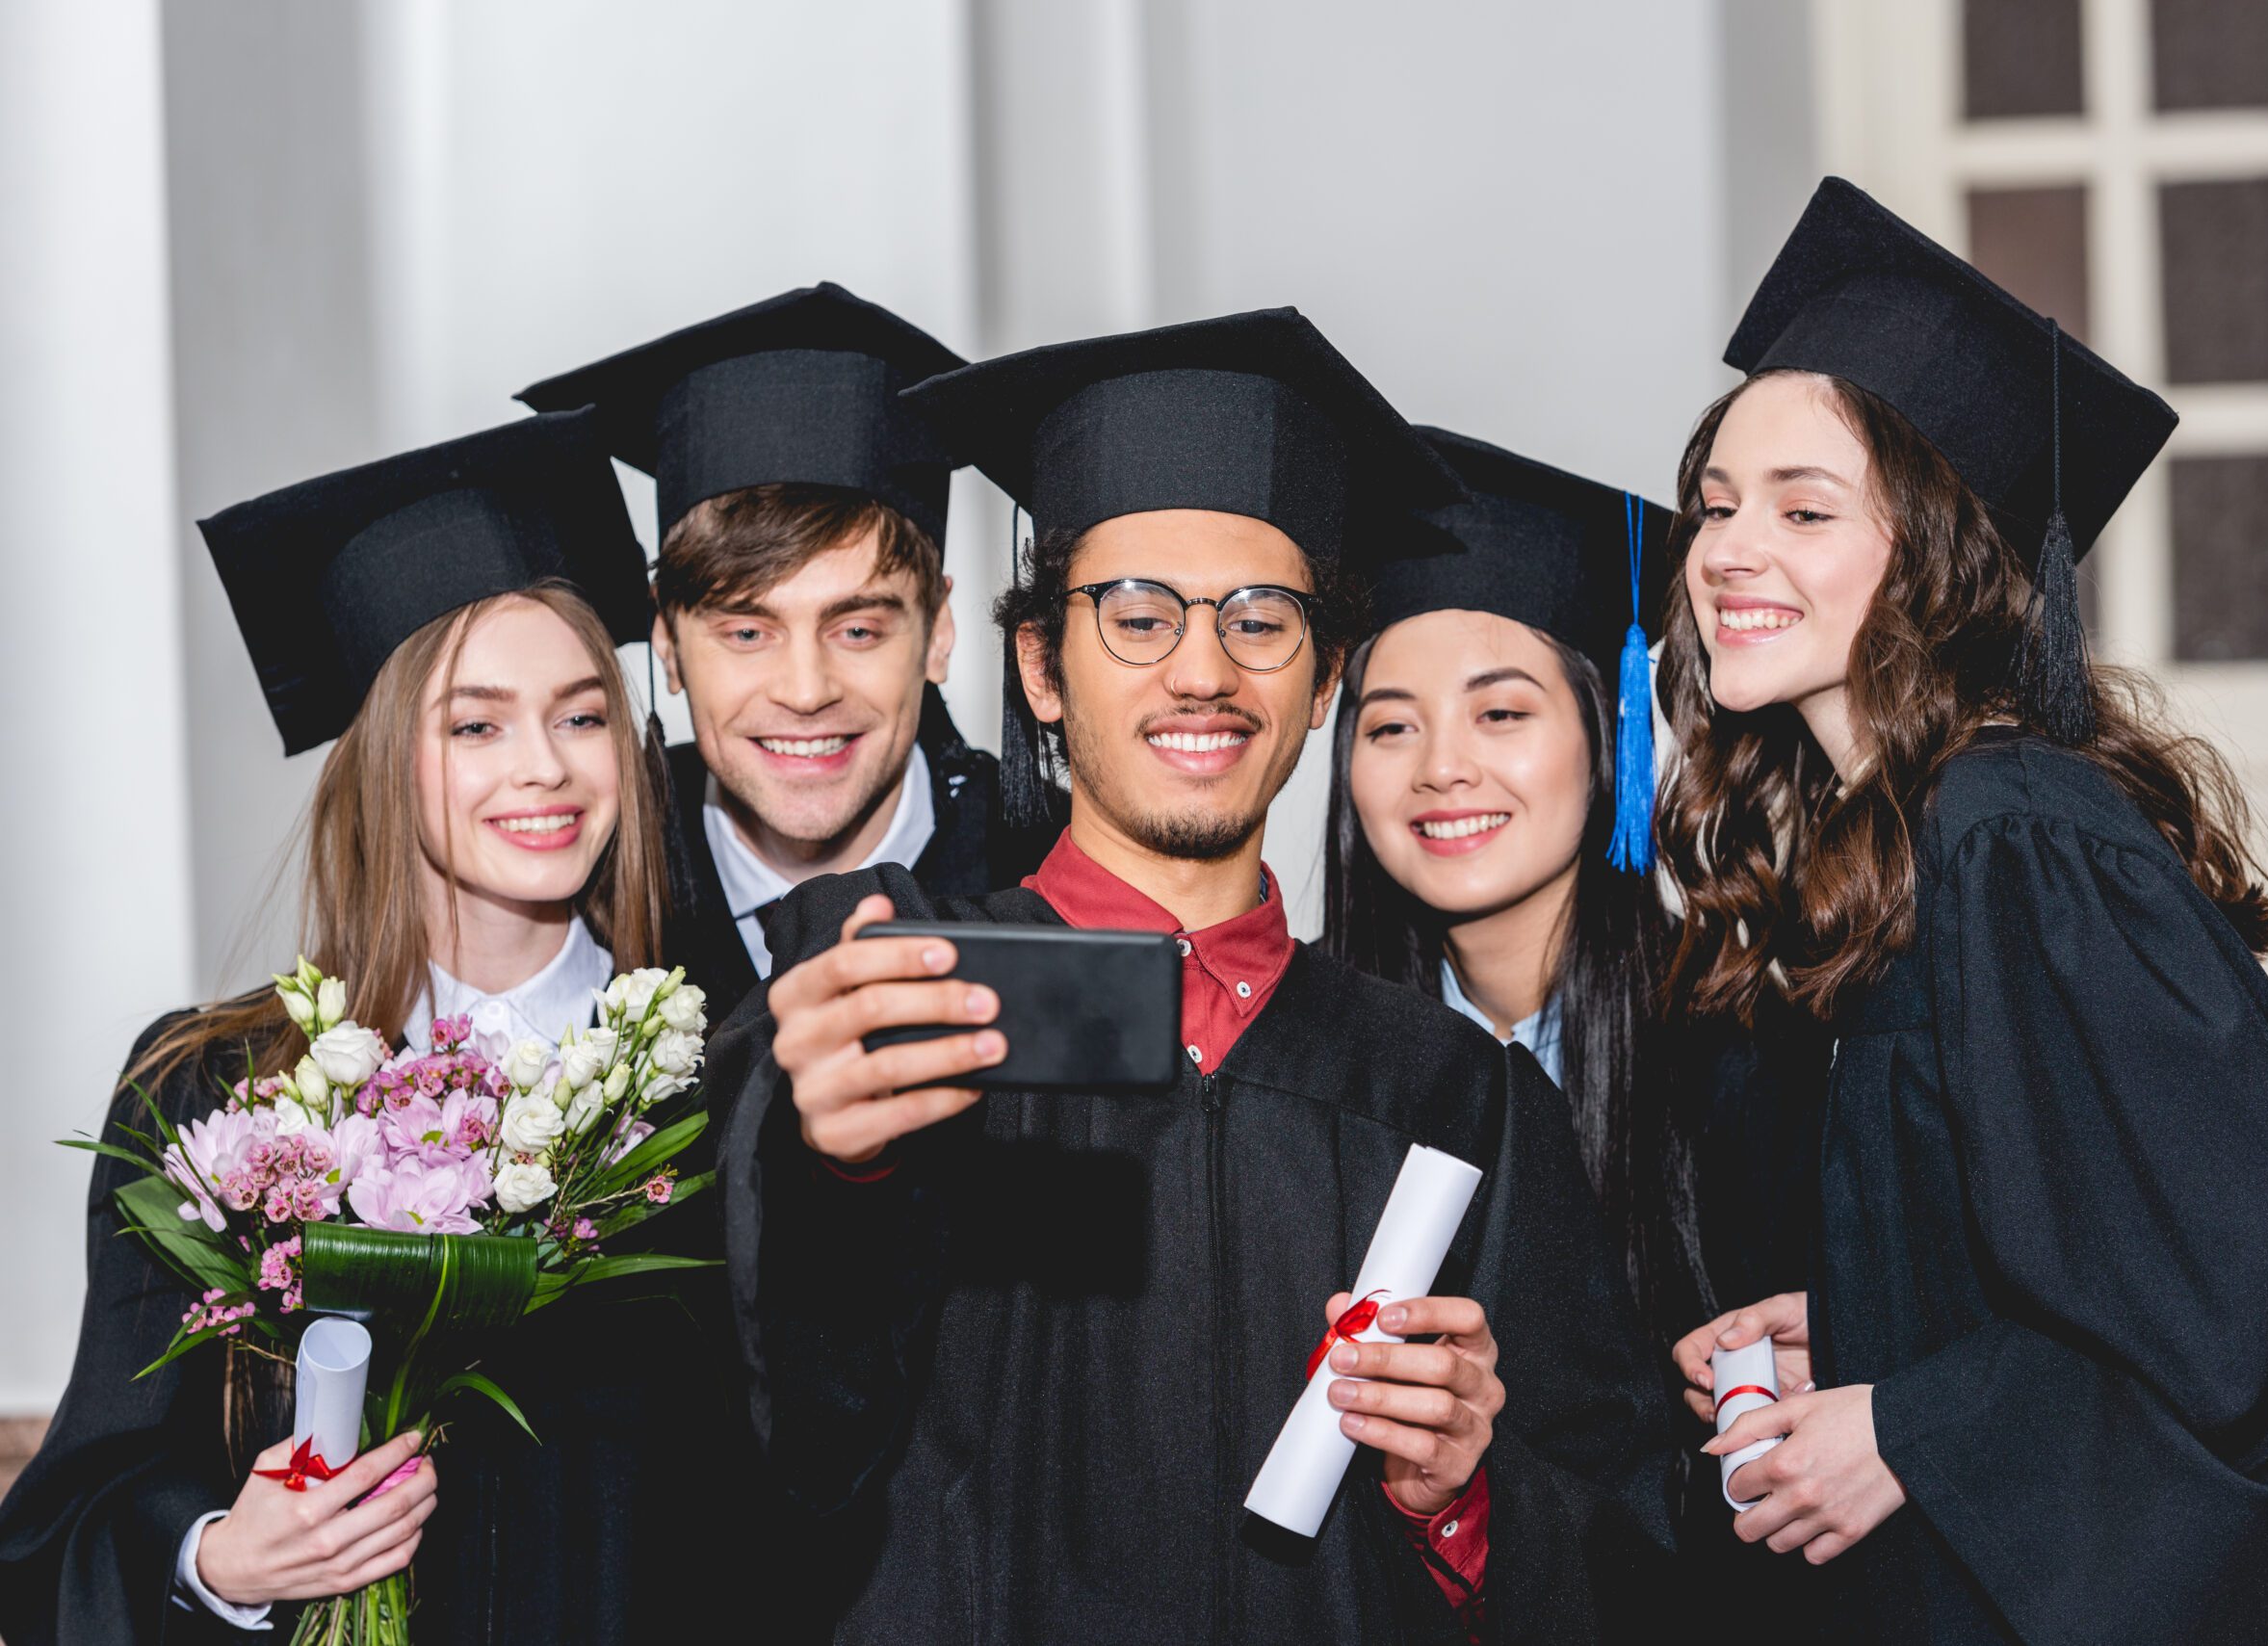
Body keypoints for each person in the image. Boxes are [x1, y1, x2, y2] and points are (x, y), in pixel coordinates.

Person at [705, 308, 1675, 1642]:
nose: (1204, 671)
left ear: (1328, 678)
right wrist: (835, 1178)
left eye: (1263, 621)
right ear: (1042, 667)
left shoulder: (1455, 1095)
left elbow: (1625, 1544)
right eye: (1139, 616)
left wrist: (1460, 1496)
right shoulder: (897, 1014)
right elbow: (781, 1463)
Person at [1662, 178, 2268, 1641]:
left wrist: (1916, 1425)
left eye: (1802, 508)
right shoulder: (1897, 848)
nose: (1727, 552)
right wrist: (1863, 1336)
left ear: (1940, 551)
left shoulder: (2019, 839)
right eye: (1716, 505)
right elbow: (2061, 1263)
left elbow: (2246, 1306)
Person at [0, 412, 691, 1643]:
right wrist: (225, 1558)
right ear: (380, 760)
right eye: (474, 724)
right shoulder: (213, 1091)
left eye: (584, 716)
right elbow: (83, 1505)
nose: (545, 765)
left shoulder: (709, 1086)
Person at [1320, 427, 1830, 1625]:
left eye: (1501, 713)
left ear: (1610, 739)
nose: (1441, 767)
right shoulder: (1318, 1080)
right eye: (1388, 726)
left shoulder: (1754, 1060)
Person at [519, 282, 1053, 1023]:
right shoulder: (577, 893)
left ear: (938, 633)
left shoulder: (1048, 880)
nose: (805, 691)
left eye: (857, 630)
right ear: (668, 644)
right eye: (746, 632)